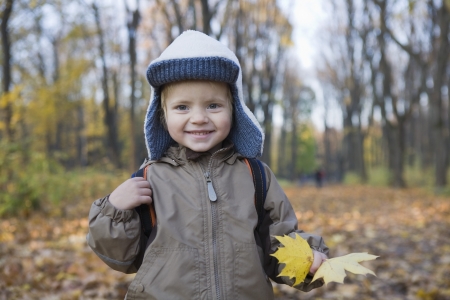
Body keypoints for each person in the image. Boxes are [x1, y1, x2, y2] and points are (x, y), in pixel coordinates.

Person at [87, 30, 328, 299]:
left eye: (213, 105)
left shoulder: (256, 176)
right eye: (182, 107)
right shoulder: (148, 179)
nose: (199, 118)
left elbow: (279, 244)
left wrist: (306, 260)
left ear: (234, 110)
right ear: (163, 116)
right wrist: (114, 210)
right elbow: (121, 258)